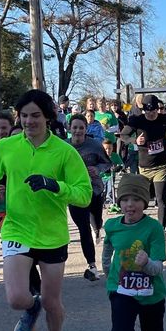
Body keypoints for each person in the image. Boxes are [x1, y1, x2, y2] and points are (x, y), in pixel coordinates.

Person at [0, 89, 93, 331]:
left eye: (35, 116)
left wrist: (54, 185)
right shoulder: (5, 147)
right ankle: (31, 310)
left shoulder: (65, 152)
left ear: (48, 117)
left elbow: (84, 194)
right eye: (24, 116)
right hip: (17, 228)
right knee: (17, 298)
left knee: (53, 301)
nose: (29, 121)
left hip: (51, 234)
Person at [100, 173, 166, 331]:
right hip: (121, 289)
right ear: (119, 202)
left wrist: (147, 262)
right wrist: (104, 266)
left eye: (137, 199)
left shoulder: (154, 228)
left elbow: (158, 266)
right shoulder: (112, 225)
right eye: (125, 199)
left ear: (145, 202)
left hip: (151, 292)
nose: (130, 204)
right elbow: (109, 245)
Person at [122, 94, 166, 227]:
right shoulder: (138, 121)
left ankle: (161, 229)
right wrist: (135, 140)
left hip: (161, 166)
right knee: (144, 199)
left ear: (158, 109)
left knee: (161, 199)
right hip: (144, 167)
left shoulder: (164, 119)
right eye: (148, 111)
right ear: (144, 110)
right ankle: (140, 225)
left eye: (154, 111)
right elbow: (123, 135)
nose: (151, 114)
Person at [68, 114, 109, 281]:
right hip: (74, 192)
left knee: (96, 222)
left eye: (81, 128)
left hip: (94, 189)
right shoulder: (63, 146)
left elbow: (107, 162)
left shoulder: (94, 145)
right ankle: (92, 266)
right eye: (75, 127)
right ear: (69, 129)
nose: (78, 131)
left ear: (86, 129)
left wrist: (97, 169)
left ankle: (97, 226)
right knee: (83, 227)